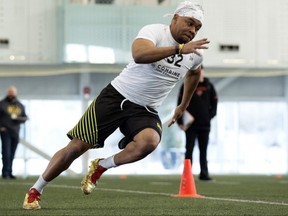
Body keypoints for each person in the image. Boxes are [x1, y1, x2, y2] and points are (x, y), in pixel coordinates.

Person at [23, 0, 210, 210]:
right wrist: (179, 49)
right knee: (75, 148)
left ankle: (101, 166)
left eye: (197, 27)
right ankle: (36, 190)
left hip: (145, 109)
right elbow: (139, 55)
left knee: (149, 142)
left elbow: (194, 74)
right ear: (175, 18)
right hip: (115, 98)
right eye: (189, 23)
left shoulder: (195, 54)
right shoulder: (155, 32)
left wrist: (183, 105)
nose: (193, 30)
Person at [177, 65, 218, 181]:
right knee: (189, 150)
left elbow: (214, 104)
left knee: (203, 150)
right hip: (190, 126)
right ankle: (187, 175)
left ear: (203, 72)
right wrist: (180, 122)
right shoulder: (186, 85)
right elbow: (179, 104)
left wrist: (208, 117)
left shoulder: (209, 86)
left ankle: (204, 174)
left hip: (205, 126)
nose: (199, 73)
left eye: (201, 71)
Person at [0, 85, 28, 179]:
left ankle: (10, 171)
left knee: (12, 152)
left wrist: (18, 119)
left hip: (15, 131)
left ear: (15, 93)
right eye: (10, 92)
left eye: (13, 92)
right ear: (7, 93)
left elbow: (25, 117)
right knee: (6, 152)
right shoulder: (1, 104)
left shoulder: (20, 105)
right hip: (5, 131)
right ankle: (5, 172)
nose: (11, 94)